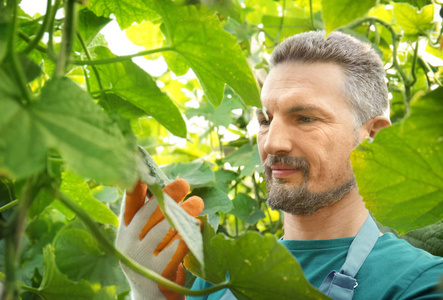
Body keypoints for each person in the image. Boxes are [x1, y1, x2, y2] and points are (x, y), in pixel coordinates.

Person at [116, 31, 443, 300]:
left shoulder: (420, 283)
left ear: (372, 136)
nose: (272, 143)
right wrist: (146, 293)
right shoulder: (213, 279)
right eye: (264, 120)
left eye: (305, 118)